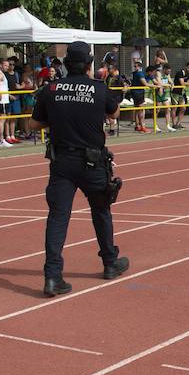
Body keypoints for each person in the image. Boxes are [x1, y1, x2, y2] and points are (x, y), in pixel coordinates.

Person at [29, 40, 129, 297]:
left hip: (62, 162)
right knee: (101, 210)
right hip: (92, 162)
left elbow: (33, 124)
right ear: (88, 64)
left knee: (58, 217)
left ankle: (52, 277)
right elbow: (115, 114)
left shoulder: (51, 90)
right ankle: (109, 263)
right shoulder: (98, 89)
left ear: (65, 64)